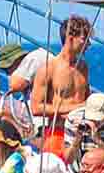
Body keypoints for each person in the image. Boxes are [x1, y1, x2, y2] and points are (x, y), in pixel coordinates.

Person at [30, 15, 94, 157]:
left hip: (83, 134)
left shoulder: (83, 67)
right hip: (59, 135)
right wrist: (77, 108)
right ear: (70, 37)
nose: (88, 44)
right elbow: (36, 107)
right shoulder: (48, 69)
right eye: (85, 39)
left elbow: (87, 100)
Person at [0, 41, 50, 137]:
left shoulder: (34, 58)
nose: (8, 74)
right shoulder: (31, 74)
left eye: (7, 69)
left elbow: (14, 85)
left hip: (45, 126)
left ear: (17, 60)